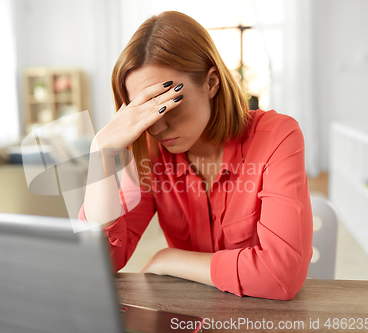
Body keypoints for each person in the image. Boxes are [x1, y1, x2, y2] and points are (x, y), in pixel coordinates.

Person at [78, 11, 313, 300]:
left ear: (212, 83)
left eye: (168, 103)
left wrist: (169, 259)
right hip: (189, 313)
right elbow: (97, 264)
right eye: (146, 111)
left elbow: (280, 276)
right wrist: (100, 154)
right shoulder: (151, 154)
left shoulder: (278, 136)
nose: (158, 126)